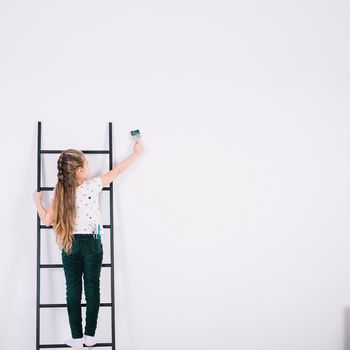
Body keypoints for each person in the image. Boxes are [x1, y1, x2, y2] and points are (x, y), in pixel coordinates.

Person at [32, 140, 144, 349]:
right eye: (88, 165)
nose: (90, 169)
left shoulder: (61, 191)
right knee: (93, 289)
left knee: (73, 291)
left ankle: (76, 338)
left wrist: (38, 201)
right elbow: (117, 170)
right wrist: (136, 153)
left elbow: (47, 220)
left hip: (70, 243)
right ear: (81, 171)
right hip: (93, 241)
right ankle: (90, 336)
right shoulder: (93, 185)